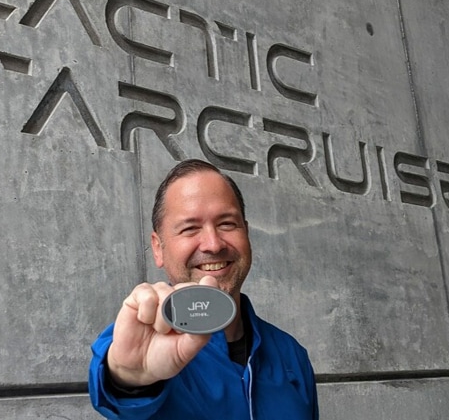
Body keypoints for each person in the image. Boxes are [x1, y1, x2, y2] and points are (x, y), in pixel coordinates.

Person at [88, 159, 318, 419]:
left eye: (227, 224)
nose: (212, 244)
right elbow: (118, 382)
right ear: (158, 248)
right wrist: (130, 378)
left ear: (247, 233)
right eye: (190, 228)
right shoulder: (139, 339)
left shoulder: (292, 355)